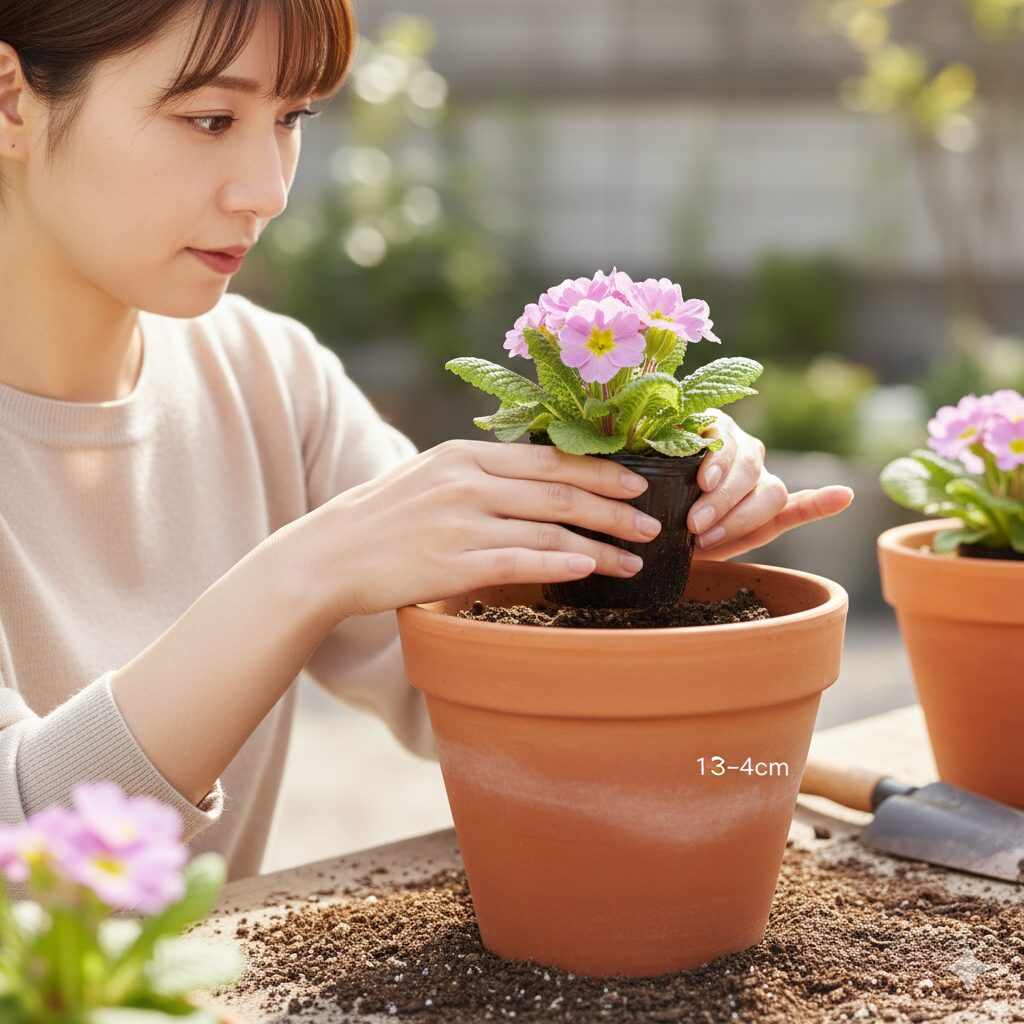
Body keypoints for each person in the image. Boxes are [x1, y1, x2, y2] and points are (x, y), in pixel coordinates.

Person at [0, 0, 853, 881]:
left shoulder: (266, 375)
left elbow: (484, 703)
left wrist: (653, 520)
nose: (269, 188)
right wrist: (306, 572)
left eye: (290, 119)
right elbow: (17, 855)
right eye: (210, 119)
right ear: (13, 101)